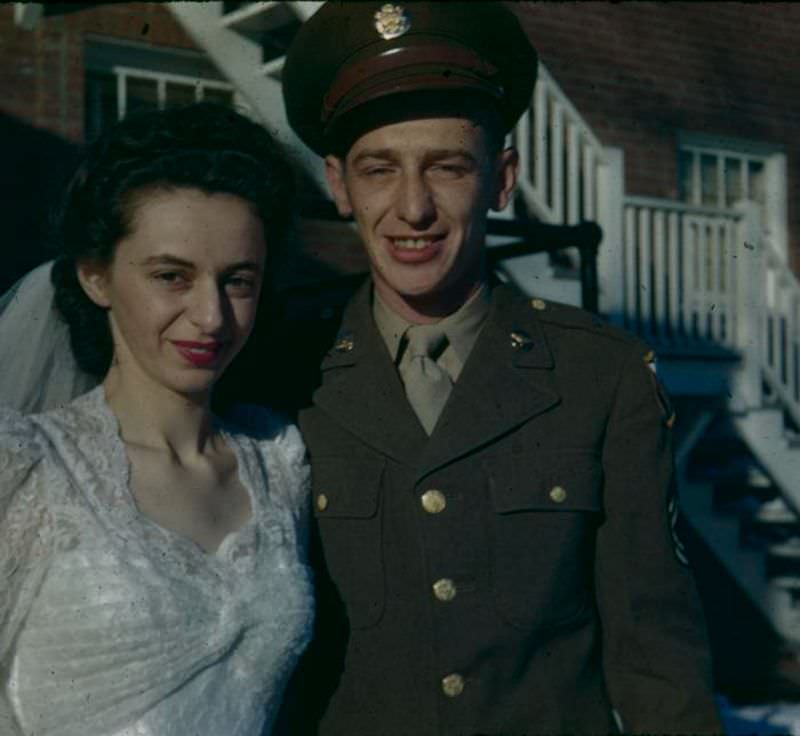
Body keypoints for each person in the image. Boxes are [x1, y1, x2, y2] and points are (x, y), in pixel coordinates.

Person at [279, 2, 723, 734]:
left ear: (502, 178)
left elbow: (658, 664)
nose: (413, 207)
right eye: (379, 169)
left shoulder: (599, 377)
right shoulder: (286, 375)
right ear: (338, 185)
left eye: (448, 167)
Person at [0, 103, 313, 736]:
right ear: (96, 277)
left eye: (238, 281)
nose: (210, 317)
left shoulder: (279, 463)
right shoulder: (23, 468)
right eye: (172, 276)